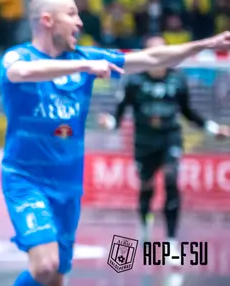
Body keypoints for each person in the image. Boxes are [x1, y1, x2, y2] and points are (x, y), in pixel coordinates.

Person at [0, 0, 230, 286]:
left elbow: (151, 57)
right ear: (47, 20)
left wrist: (205, 44)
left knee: (55, 277)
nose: (79, 22)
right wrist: (83, 67)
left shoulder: (86, 57)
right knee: (45, 266)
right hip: (26, 180)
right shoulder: (19, 57)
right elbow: (21, 73)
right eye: (71, 14)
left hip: (68, 183)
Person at [98, 35, 229, 247]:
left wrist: (214, 129)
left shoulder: (177, 79)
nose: (159, 58)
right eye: (154, 53)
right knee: (147, 186)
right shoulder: (134, 82)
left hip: (170, 138)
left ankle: (171, 241)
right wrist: (109, 123)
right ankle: (144, 224)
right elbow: (119, 116)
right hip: (144, 142)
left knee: (171, 182)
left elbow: (188, 112)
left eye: (163, 52)